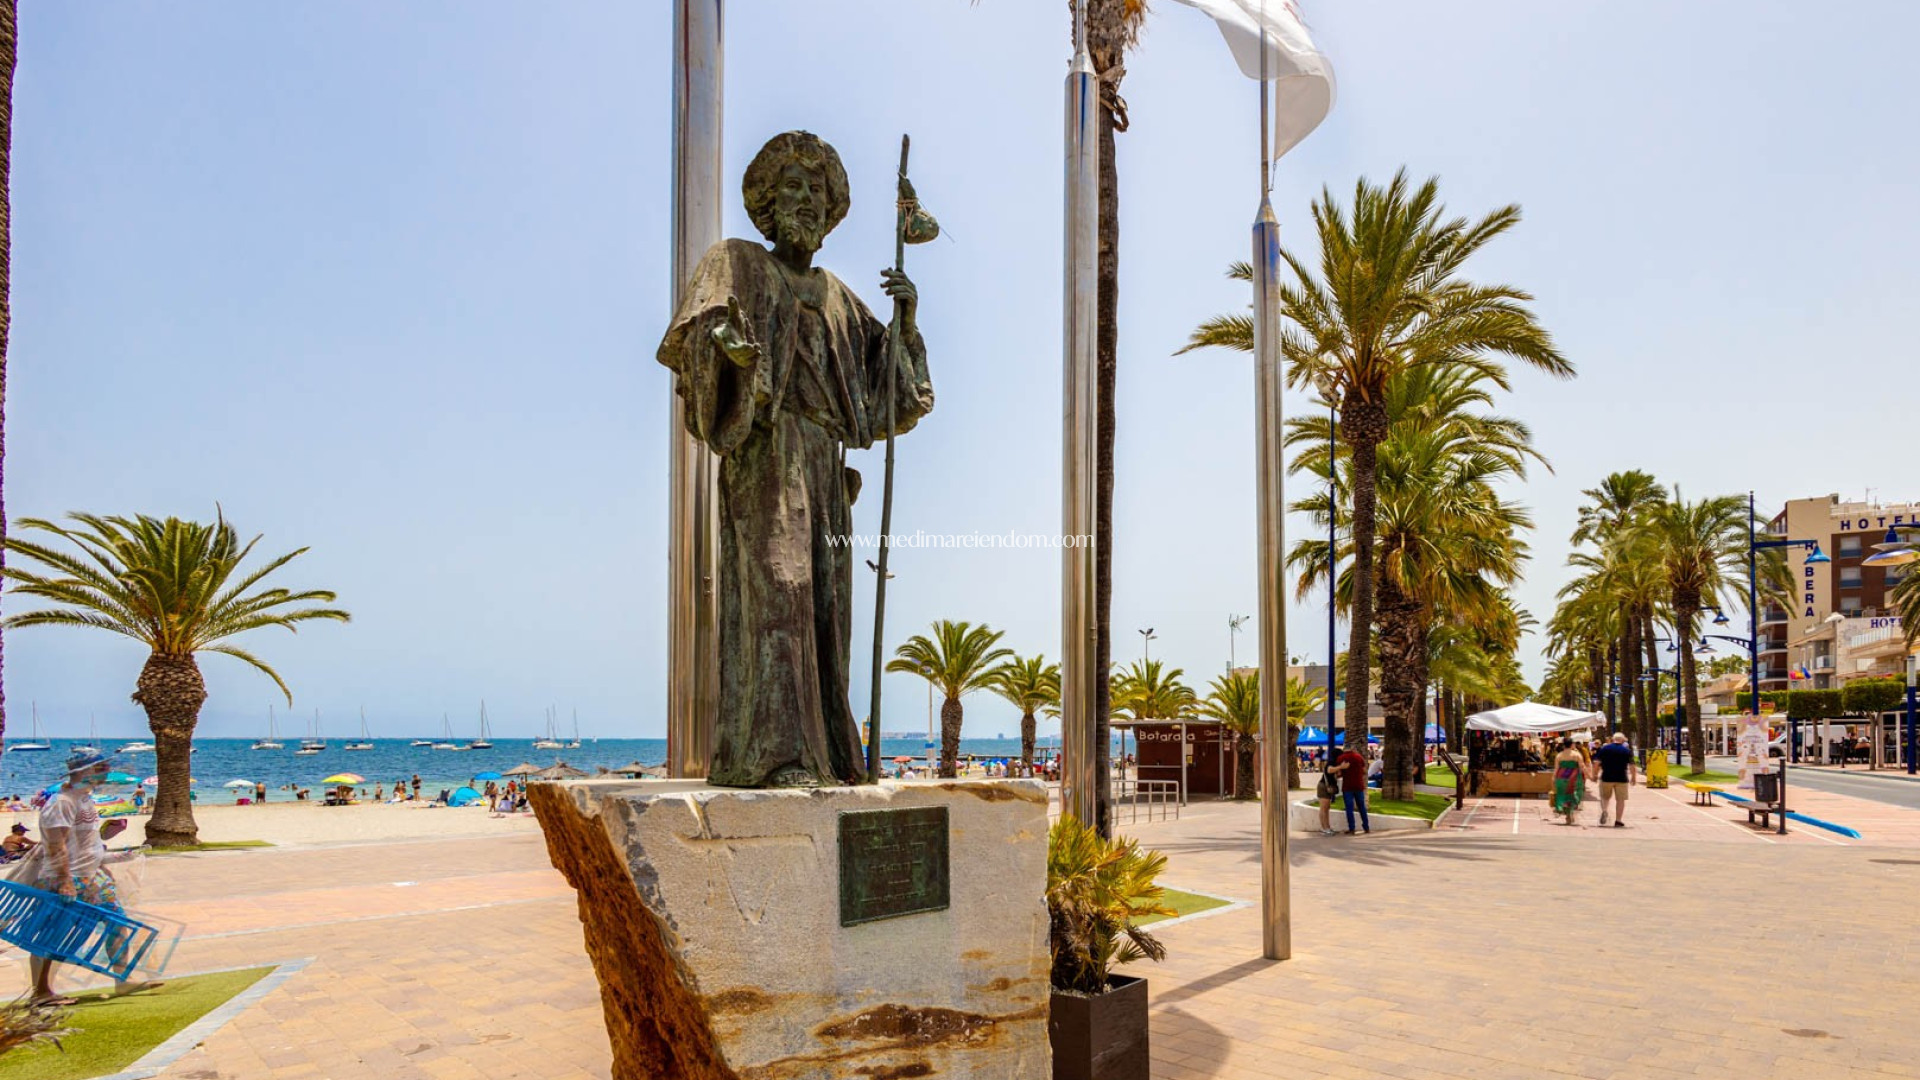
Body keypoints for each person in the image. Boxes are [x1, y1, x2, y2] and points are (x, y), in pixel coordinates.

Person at [29, 751, 156, 1005]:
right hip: (65, 877)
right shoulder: (62, 802)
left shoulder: (84, 799)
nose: (107, 771)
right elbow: (55, 844)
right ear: (84, 771)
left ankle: (123, 980)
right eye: (101, 767)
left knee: (116, 923)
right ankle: (41, 991)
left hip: (91, 877)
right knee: (55, 933)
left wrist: (101, 863)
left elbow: (86, 842)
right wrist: (65, 881)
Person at [1595, 732, 1636, 828]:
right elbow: (1632, 765)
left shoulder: (1605, 749)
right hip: (1621, 778)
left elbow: (1596, 762)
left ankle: (1604, 810)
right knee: (1620, 800)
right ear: (1622, 740)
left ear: (1613, 739)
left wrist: (1595, 774)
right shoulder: (1626, 751)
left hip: (1606, 777)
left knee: (1605, 797)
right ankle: (1618, 820)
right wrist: (1633, 777)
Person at [1333, 742, 1370, 835]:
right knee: (1362, 807)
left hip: (1347, 786)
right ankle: (1366, 827)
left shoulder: (1341, 758)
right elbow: (1365, 771)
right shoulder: (1359, 757)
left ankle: (1352, 828)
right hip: (1359, 785)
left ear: (1345, 748)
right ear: (1352, 748)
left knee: (1349, 808)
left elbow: (1339, 773)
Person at [1550, 739, 1586, 826]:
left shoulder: (1559, 755)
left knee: (1562, 794)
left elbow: (1556, 768)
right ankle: (1569, 814)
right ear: (1572, 745)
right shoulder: (1577, 755)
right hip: (1573, 776)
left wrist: (1553, 777)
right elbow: (1582, 767)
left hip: (1561, 776)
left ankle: (1566, 814)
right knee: (1573, 794)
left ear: (1563, 745)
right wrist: (1584, 777)